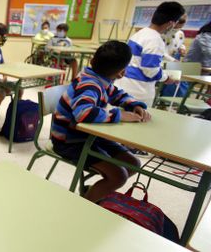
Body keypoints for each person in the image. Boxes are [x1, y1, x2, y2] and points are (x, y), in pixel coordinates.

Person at [51, 41, 150, 203]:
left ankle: (93, 193)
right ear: (121, 73)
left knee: (133, 163)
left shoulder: (100, 80)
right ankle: (85, 206)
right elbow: (83, 113)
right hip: (69, 141)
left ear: (92, 60)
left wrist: (133, 105)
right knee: (119, 176)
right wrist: (120, 115)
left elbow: (116, 94)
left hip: (88, 135)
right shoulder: (89, 84)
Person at [114, 1, 185, 107]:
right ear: (171, 24)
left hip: (123, 85)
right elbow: (150, 71)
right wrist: (166, 78)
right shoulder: (155, 40)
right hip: (137, 91)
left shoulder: (140, 33)